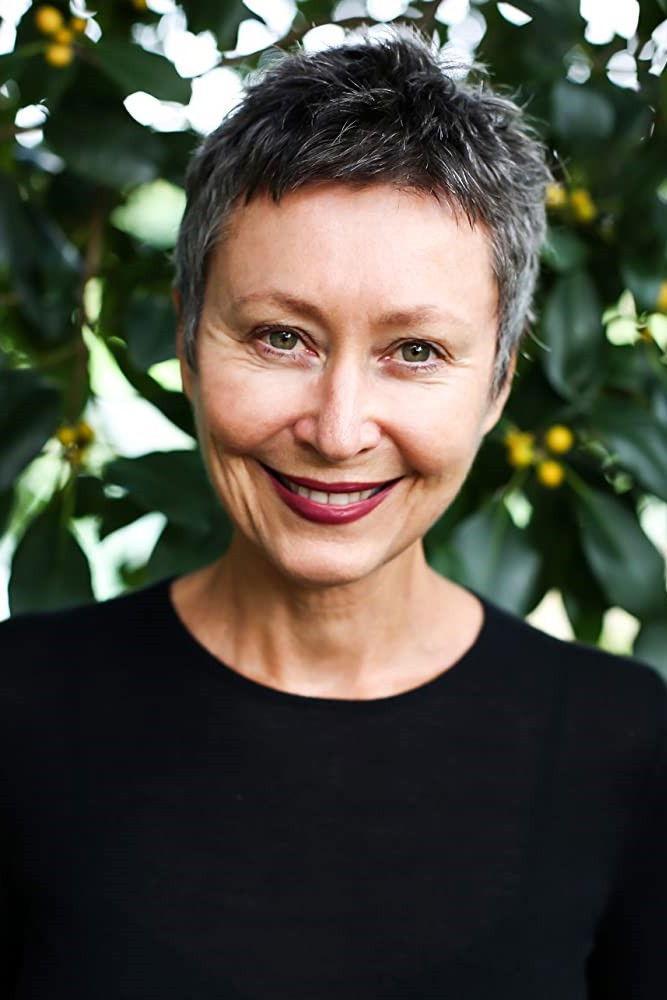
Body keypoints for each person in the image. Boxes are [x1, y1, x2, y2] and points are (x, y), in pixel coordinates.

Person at [1, 24, 665, 999]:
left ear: (497, 382)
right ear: (186, 340)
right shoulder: (16, 710)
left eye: (415, 351)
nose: (337, 429)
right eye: (281, 337)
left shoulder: (627, 746)